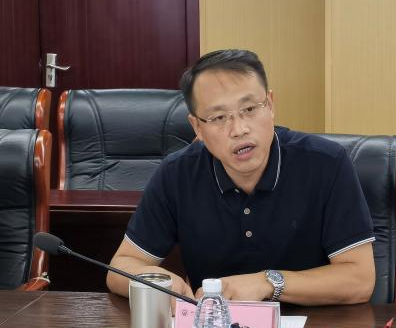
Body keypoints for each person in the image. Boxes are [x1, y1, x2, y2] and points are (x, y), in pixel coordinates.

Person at [106, 49, 376, 305]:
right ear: (197, 127)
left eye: (249, 109)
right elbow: (120, 267)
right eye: (218, 117)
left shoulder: (326, 163)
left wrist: (268, 282)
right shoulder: (177, 174)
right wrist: (157, 282)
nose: (239, 129)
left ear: (270, 105)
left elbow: (360, 280)